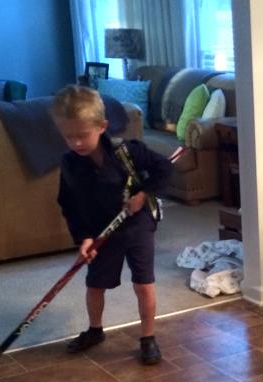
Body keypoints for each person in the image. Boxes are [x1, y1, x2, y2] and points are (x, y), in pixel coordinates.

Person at [51, 85, 173, 364]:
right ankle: (95, 331)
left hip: (137, 227)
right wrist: (82, 238)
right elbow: (68, 203)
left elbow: (164, 168)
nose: (76, 143)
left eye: (82, 136)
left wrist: (143, 194)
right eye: (69, 137)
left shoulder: (126, 151)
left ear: (102, 126)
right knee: (95, 285)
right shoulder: (70, 164)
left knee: (144, 283)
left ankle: (148, 338)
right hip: (100, 232)